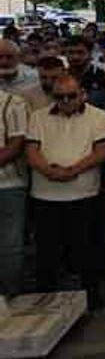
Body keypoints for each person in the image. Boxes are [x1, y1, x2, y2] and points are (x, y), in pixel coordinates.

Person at [25, 75, 105, 309]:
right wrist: (49, 171)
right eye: (59, 97)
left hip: (84, 194)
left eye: (71, 96)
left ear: (82, 93)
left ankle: (91, 299)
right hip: (45, 195)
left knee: (85, 250)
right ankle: (45, 301)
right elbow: (31, 151)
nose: (65, 101)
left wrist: (72, 170)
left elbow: (102, 151)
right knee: (47, 253)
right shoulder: (38, 117)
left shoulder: (99, 116)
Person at [0, 85, 29, 297]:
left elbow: (16, 145)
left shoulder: (13, 103)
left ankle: (10, 293)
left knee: (10, 245)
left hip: (10, 185)